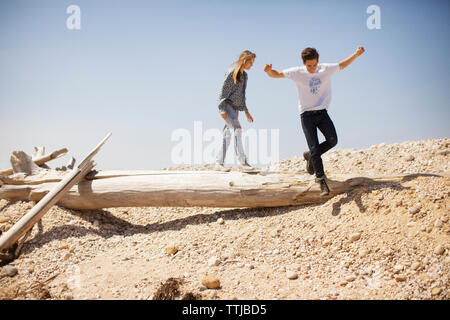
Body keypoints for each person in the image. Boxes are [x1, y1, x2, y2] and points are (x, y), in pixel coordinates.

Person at [264, 46, 365, 195]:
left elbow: (342, 65)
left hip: (322, 113)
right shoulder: (297, 72)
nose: (312, 68)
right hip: (306, 116)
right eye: (309, 65)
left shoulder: (325, 69)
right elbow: (277, 74)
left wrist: (356, 54)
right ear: (303, 63)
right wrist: (268, 71)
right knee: (314, 147)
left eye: (314, 64)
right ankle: (321, 180)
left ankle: (310, 155)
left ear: (318, 61)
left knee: (332, 140)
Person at [215, 50, 256, 172]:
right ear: (245, 61)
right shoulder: (232, 72)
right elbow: (222, 91)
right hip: (227, 105)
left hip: (236, 108)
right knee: (237, 129)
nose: (252, 65)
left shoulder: (245, 76)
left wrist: (246, 111)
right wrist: (222, 109)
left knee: (227, 134)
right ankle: (242, 162)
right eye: (251, 62)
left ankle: (218, 162)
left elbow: (242, 95)